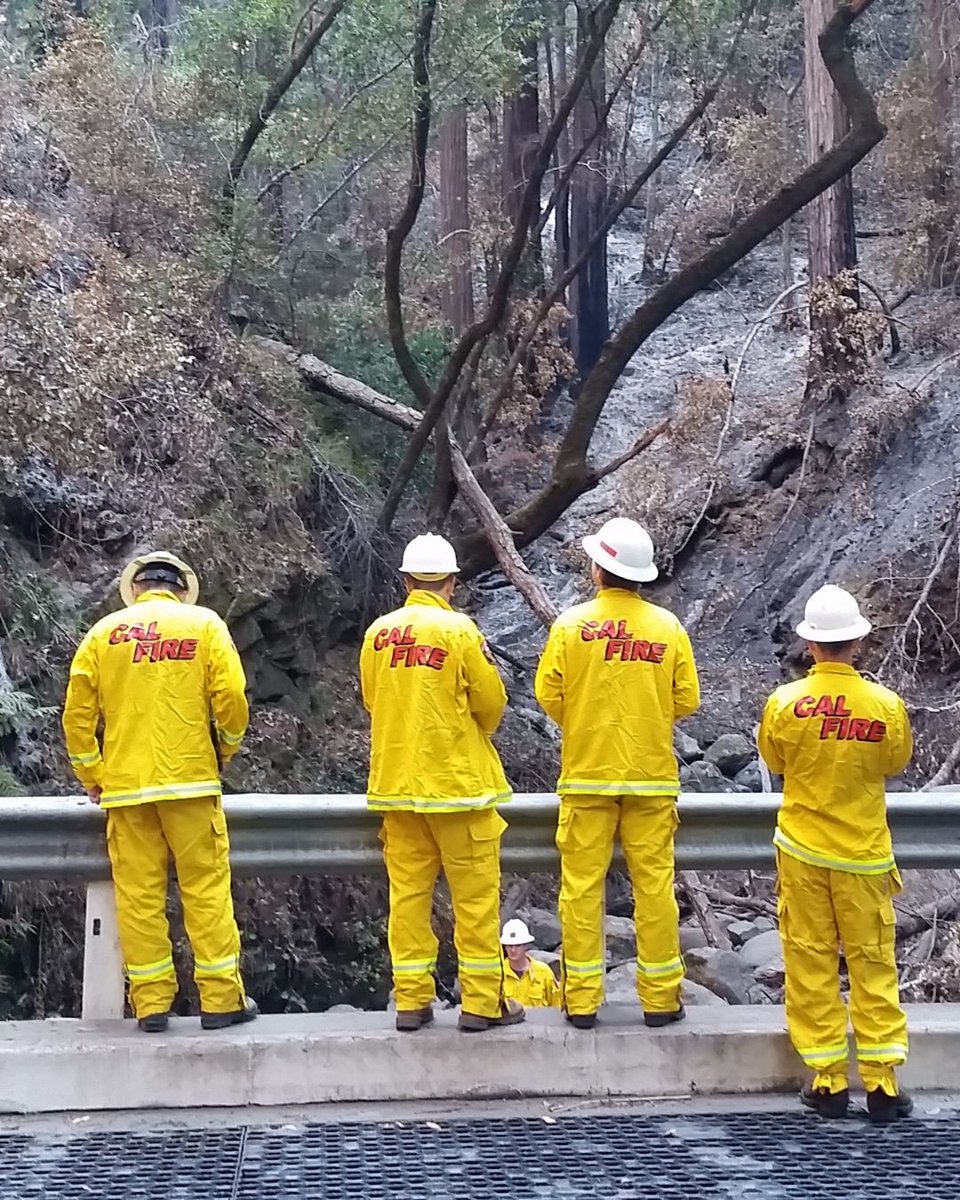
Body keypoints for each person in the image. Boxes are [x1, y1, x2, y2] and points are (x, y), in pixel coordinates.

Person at [62, 550, 256, 1034]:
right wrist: (222, 752)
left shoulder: (102, 635)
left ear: (136, 587)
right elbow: (231, 700)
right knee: (206, 891)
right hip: (190, 784)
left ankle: (151, 1006)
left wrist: (93, 773)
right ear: (179, 587)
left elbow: (76, 717)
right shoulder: (205, 625)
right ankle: (220, 1001)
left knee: (139, 897)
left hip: (126, 791)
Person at [535, 517, 700, 1029]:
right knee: (655, 890)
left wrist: (584, 720)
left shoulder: (570, 626)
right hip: (651, 779)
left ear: (598, 568)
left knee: (582, 889)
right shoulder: (667, 628)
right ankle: (660, 1000)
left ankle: (582, 1001)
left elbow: (549, 694)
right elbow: (687, 699)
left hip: (586, 777)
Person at [758, 584, 913, 1124]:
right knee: (873, 964)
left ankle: (826, 1081)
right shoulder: (886, 706)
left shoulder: (784, 704)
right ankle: (883, 1084)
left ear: (810, 645)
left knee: (810, 960)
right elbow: (893, 762)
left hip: (802, 850)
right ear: (858, 644)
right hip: (865, 856)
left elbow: (775, 758)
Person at [360, 534, 524, 1033]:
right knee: (474, 903)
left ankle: (411, 1000)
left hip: (399, 790)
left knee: (407, 899)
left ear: (406, 581)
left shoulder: (378, 634)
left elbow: (372, 699)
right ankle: (481, 1004)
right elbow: (492, 703)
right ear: (451, 583)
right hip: (459, 791)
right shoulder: (460, 632)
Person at [501, 919, 561, 1008]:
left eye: (517, 945)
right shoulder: (499, 974)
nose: (513, 950)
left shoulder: (543, 972)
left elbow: (556, 1005)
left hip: (540, 1021)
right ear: (505, 947)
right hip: (510, 1022)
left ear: (526, 946)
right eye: (509, 945)